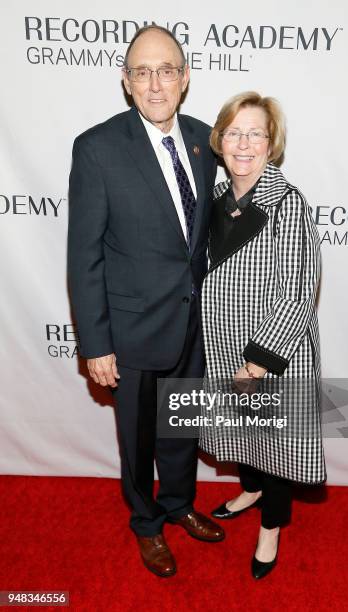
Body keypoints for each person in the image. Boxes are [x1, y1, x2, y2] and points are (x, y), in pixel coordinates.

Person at [67, 25, 224, 578]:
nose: (155, 84)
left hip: (193, 328)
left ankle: (180, 504)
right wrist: (97, 341)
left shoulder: (208, 141)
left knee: (181, 428)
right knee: (136, 440)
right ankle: (147, 524)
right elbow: (84, 255)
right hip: (131, 335)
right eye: (142, 71)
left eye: (166, 70)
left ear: (185, 77)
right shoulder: (97, 149)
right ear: (125, 81)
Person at [200, 92, 326, 579]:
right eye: (234, 132)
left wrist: (255, 365)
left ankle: (271, 527)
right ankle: (249, 490)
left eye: (256, 133)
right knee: (240, 433)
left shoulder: (288, 203)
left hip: (270, 355)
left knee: (275, 446)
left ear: (272, 145)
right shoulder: (213, 201)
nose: (244, 143)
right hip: (221, 348)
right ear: (219, 141)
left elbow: (297, 294)